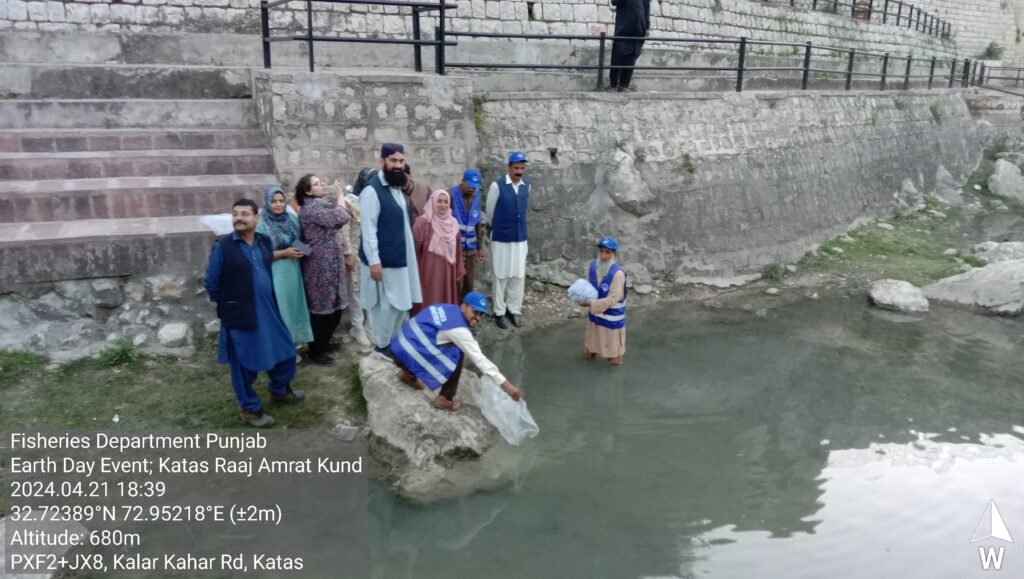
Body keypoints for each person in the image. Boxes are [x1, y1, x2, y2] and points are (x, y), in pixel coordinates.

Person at [204, 199, 305, 428]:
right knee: (244, 362)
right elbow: (211, 283)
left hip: (268, 309)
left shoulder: (263, 242)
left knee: (286, 350)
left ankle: (279, 391)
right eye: (235, 214)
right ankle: (249, 407)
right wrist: (230, 304)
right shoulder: (224, 246)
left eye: (244, 214)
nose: (238, 218)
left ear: (255, 219)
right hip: (240, 313)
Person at [390, 292, 522, 411]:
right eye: (475, 312)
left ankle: (408, 374)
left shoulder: (446, 308)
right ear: (464, 306)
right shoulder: (459, 329)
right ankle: (445, 398)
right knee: (457, 352)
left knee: (432, 342)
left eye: (481, 314)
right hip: (409, 353)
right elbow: (479, 359)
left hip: (398, 349)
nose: (478, 318)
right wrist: (507, 386)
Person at [359, 143, 422, 357]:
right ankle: (383, 346)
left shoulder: (396, 188)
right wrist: (374, 261)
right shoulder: (372, 191)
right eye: (393, 160)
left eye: (401, 161)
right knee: (386, 306)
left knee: (401, 305)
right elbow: (368, 230)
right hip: (384, 261)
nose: (398, 165)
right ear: (382, 161)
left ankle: (397, 342)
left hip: (401, 257)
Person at [295, 174, 354, 366]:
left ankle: (323, 343)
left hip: (330, 262)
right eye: (317, 184)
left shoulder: (318, 206)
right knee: (323, 311)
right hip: (320, 265)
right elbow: (341, 216)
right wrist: (339, 194)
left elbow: (336, 221)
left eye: (320, 182)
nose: (322, 186)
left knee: (335, 308)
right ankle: (316, 350)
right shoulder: (312, 208)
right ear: (307, 190)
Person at [256, 186, 314, 345]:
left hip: (294, 271)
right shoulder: (261, 224)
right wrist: (285, 253)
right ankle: (282, 346)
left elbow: (297, 241)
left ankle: (294, 343)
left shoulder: (290, 218)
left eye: (281, 201)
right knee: (282, 308)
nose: (278, 205)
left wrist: (308, 251)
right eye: (273, 201)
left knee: (295, 306)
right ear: (267, 202)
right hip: (276, 272)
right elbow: (259, 255)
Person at [486, 151, 530, 330]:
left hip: (520, 238)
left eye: (522, 168)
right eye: (516, 168)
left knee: (518, 275)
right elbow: (490, 212)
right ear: (509, 167)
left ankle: (514, 310)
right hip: (501, 237)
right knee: (500, 275)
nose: (519, 171)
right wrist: (499, 228)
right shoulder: (497, 186)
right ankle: (499, 312)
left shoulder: (527, 186)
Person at [412, 189, 465, 315]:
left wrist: (458, 271)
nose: (443, 205)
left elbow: (458, 251)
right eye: (439, 201)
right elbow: (414, 252)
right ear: (432, 202)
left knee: (444, 303)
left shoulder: (453, 224)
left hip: (447, 274)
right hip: (426, 274)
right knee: (428, 302)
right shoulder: (422, 223)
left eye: (446, 202)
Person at [580, 237, 627, 365]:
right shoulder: (592, 267)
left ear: (614, 254)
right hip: (596, 318)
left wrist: (590, 304)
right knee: (588, 353)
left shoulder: (618, 274)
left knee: (614, 360)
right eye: (601, 251)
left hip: (612, 323)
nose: (603, 255)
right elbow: (587, 287)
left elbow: (613, 299)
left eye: (607, 252)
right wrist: (580, 296)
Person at [451, 168, 486, 298]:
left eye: (475, 187)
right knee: (456, 283)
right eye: (470, 186)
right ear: (462, 181)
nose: (472, 189)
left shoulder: (476, 197)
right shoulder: (450, 195)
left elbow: (477, 223)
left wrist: (479, 248)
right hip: (456, 250)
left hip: (471, 249)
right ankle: (454, 310)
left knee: (469, 282)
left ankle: (466, 311)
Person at [608, 0, 651, 92]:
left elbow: (647, 8)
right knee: (618, 57)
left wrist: (647, 27)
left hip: (639, 31)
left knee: (632, 58)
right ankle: (613, 84)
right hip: (624, 29)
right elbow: (614, 2)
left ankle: (623, 85)